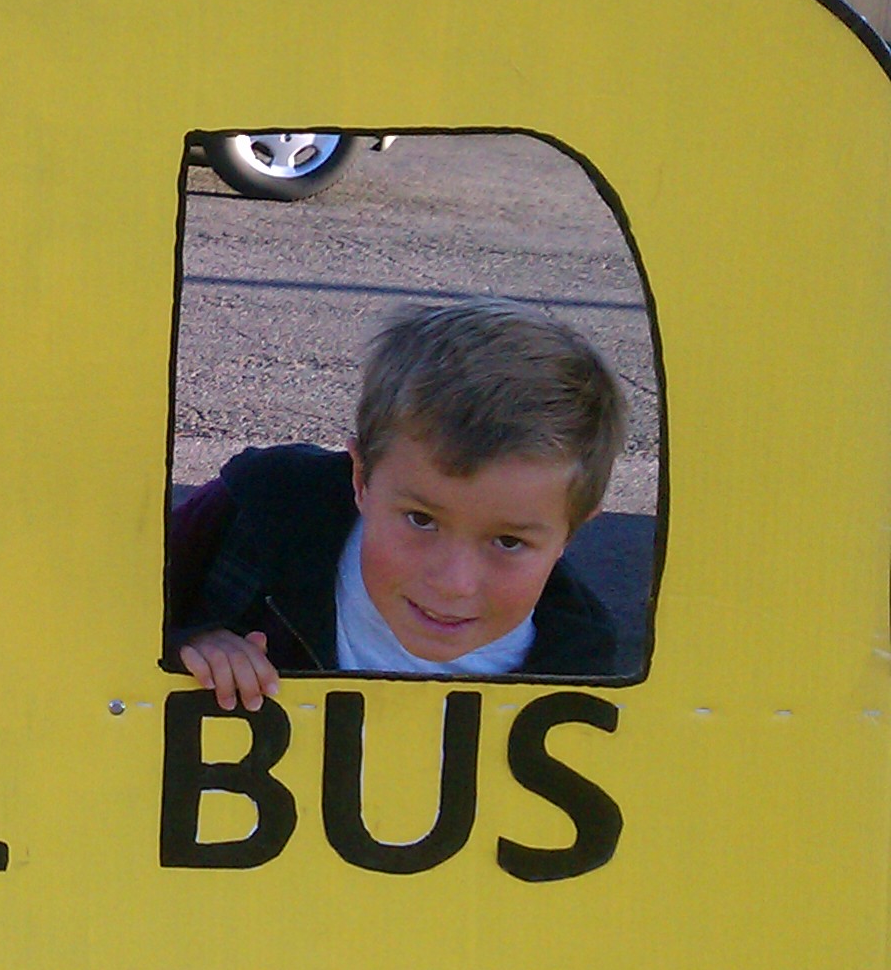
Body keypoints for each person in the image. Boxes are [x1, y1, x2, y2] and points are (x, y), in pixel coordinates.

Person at [169, 298, 626, 707]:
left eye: (508, 542)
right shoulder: (259, 508)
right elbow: (110, 600)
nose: (453, 583)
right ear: (362, 478)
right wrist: (183, 647)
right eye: (421, 519)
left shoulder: (585, 678)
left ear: (573, 529)